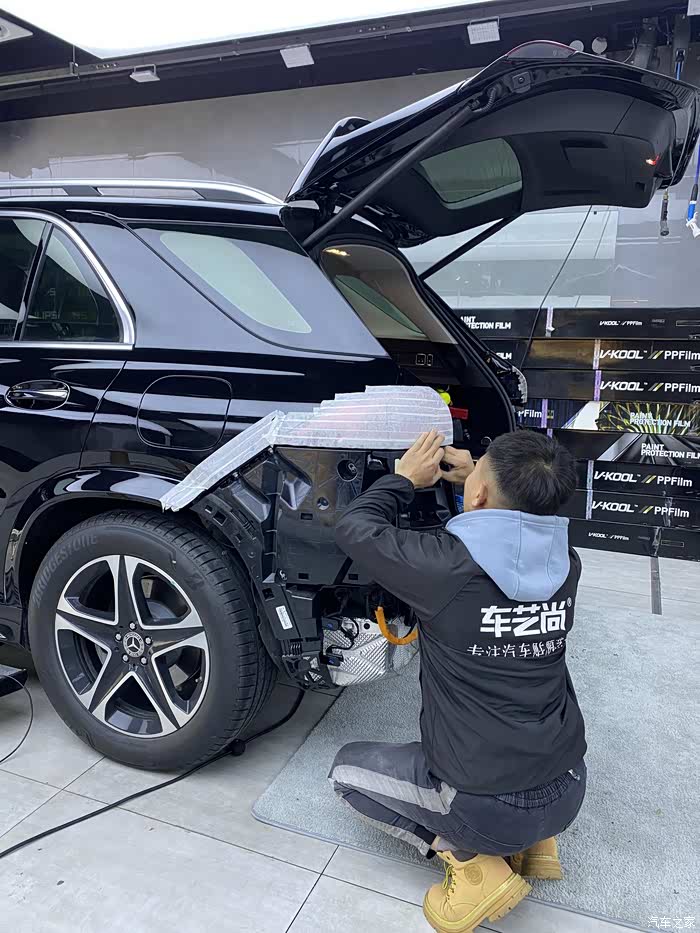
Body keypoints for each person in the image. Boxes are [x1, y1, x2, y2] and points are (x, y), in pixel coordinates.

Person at [330, 429, 586, 933]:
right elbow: (520, 533)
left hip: (484, 805)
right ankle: (536, 845)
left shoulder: (443, 567)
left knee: (345, 773)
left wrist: (403, 479)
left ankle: (474, 865)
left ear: (480, 495)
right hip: (569, 785)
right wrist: (482, 480)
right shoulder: (566, 565)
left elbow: (355, 527)